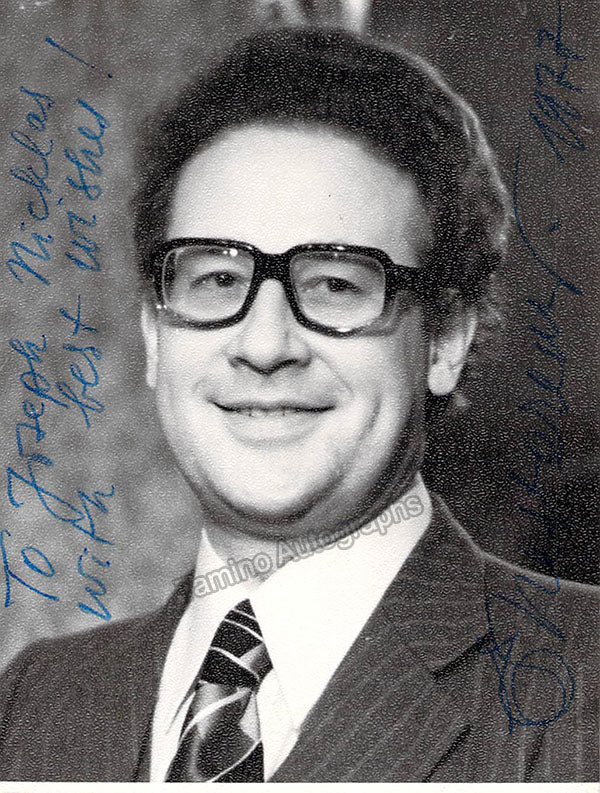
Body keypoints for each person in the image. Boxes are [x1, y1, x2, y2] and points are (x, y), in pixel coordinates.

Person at [0, 27, 597, 783]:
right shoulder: (35, 701)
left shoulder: (582, 687)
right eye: (217, 279)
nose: (265, 344)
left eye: (335, 284)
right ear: (154, 334)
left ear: (445, 340)